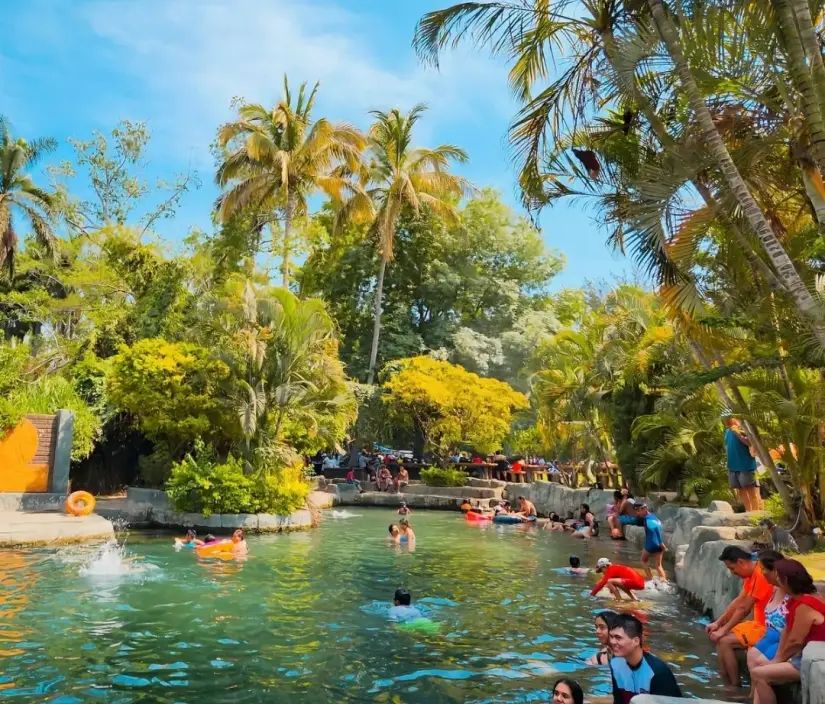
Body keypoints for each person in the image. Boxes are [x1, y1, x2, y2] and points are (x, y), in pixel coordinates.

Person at [750, 559, 825, 704]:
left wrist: (778, 660)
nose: (776, 579)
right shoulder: (794, 600)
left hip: (805, 659)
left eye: (778, 576)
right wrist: (777, 658)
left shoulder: (805, 604)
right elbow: (786, 630)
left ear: (786, 580)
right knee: (762, 667)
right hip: (800, 655)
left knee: (758, 674)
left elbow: (795, 641)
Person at [706, 545, 774, 687]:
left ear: (741, 562)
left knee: (724, 640)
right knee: (720, 637)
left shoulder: (761, 575)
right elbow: (739, 601)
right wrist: (718, 624)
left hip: (768, 627)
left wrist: (723, 631)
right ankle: (725, 678)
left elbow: (744, 608)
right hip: (758, 624)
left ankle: (734, 686)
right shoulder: (751, 575)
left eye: (732, 568)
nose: (732, 573)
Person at [610, 613, 682, 703]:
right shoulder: (615, 663)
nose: (612, 642)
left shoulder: (658, 672)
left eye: (618, 637)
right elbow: (618, 700)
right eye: (611, 637)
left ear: (636, 641)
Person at [747, 550, 789, 674]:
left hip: (783, 638)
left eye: (763, 569)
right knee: (751, 655)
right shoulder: (774, 587)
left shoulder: (790, 590)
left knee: (760, 665)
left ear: (775, 571)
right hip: (770, 634)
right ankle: (753, 693)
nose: (761, 573)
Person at [724, 416, 761, 512]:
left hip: (746, 465)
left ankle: (756, 514)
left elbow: (750, 442)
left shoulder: (742, 428)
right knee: (741, 490)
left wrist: (738, 433)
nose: (726, 421)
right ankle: (748, 513)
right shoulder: (727, 431)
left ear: (734, 418)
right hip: (733, 466)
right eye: (724, 419)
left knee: (751, 490)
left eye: (728, 418)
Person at [635, 503, 667, 580]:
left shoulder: (647, 519)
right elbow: (658, 527)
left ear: (644, 509)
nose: (637, 513)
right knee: (658, 566)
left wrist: (661, 542)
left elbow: (655, 528)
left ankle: (651, 579)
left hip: (651, 543)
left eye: (638, 511)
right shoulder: (655, 518)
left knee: (643, 561)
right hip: (658, 545)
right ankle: (665, 582)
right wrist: (660, 543)